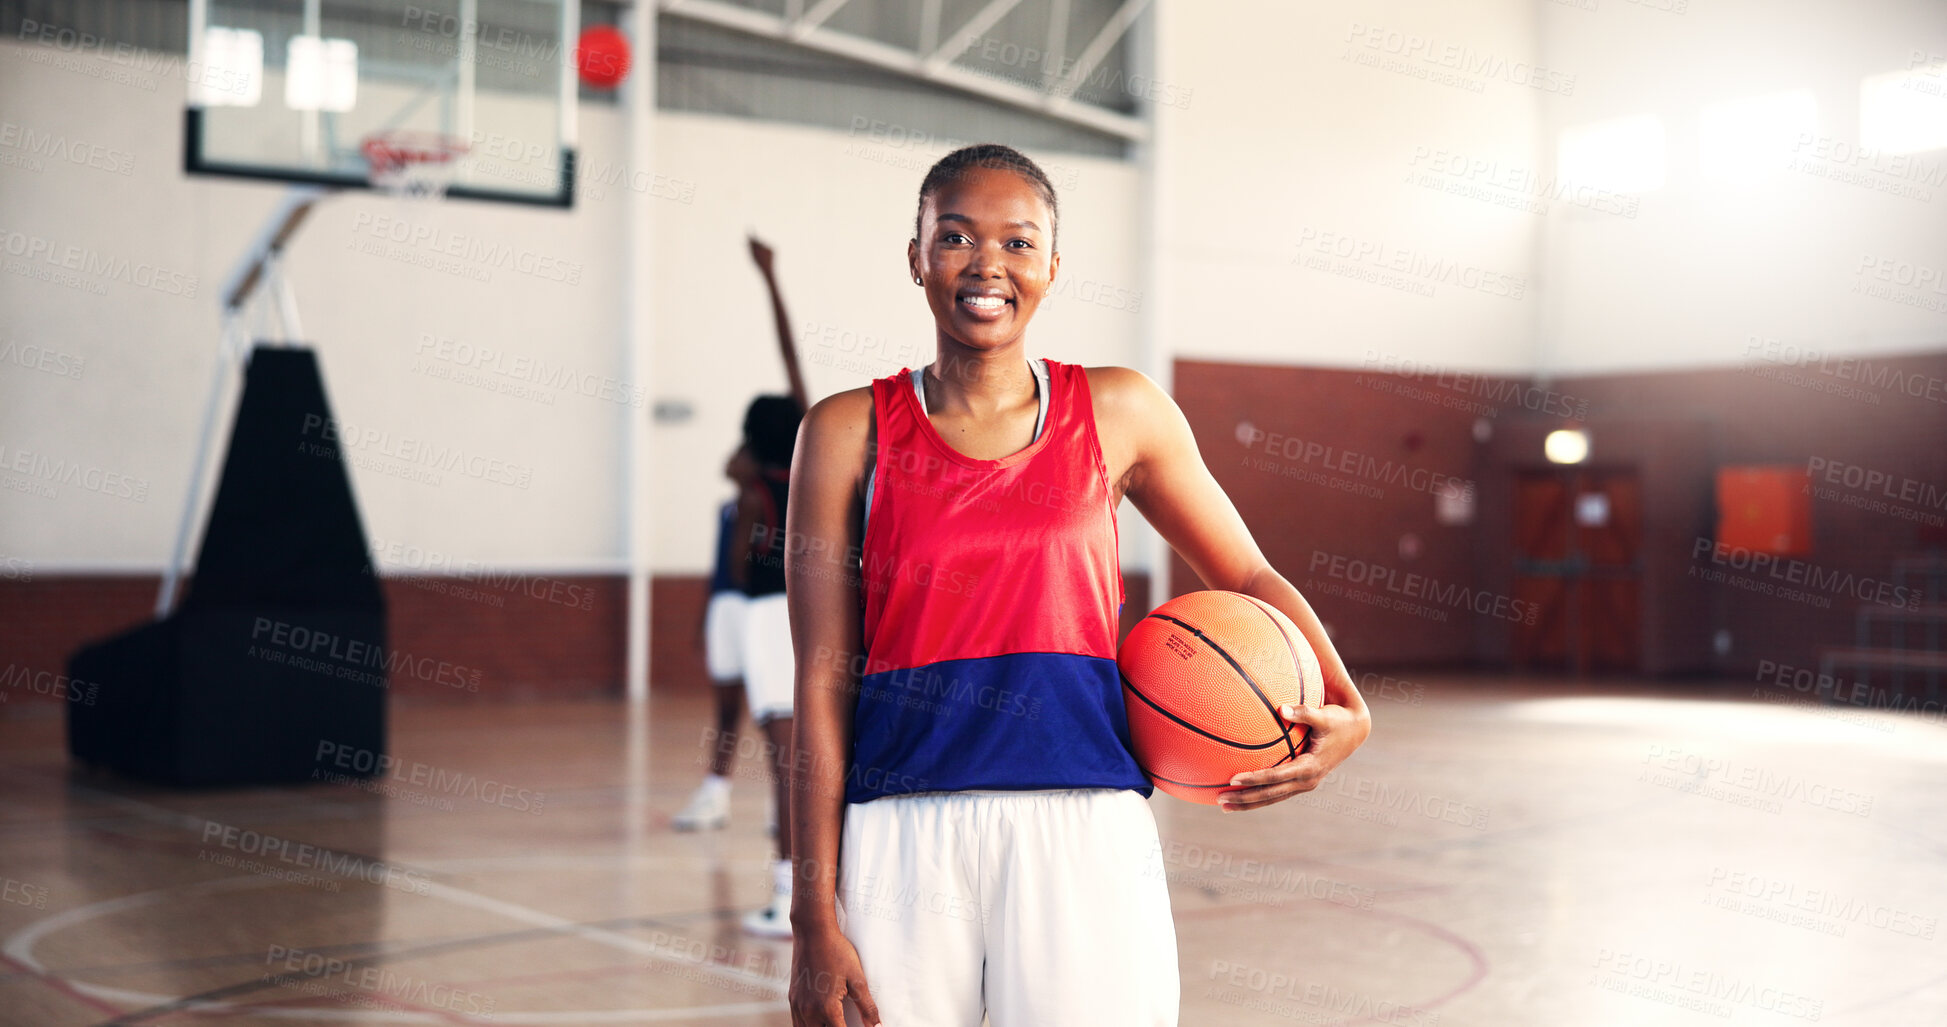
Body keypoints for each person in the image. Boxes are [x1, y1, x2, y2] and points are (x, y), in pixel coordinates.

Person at [783, 144, 1372, 1025]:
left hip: (1084, 822)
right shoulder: (845, 430)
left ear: (1053, 267)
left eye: (1018, 243)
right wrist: (809, 918)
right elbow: (823, 681)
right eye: (954, 236)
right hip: (900, 829)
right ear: (915, 256)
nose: (987, 264)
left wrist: (1345, 701)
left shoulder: (1120, 409)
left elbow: (1245, 572)